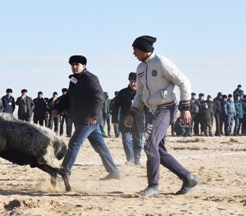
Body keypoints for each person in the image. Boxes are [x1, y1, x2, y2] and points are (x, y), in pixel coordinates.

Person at [123, 35, 199, 196]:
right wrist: (132, 113)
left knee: (150, 145)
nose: (133, 53)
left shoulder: (162, 62)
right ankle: (188, 178)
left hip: (166, 109)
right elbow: (140, 94)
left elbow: (184, 82)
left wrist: (185, 107)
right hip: (151, 111)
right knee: (158, 149)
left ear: (144, 49)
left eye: (135, 49)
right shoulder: (140, 69)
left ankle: (153, 186)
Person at [52, 55, 122, 181]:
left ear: (84, 66)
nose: (74, 67)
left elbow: (99, 97)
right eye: (72, 65)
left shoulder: (90, 78)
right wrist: (58, 108)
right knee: (100, 147)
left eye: (77, 65)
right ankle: (114, 172)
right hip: (81, 118)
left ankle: (64, 172)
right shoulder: (74, 79)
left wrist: (93, 115)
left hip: (88, 119)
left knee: (74, 144)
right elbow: (69, 98)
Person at [112, 72, 144, 165]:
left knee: (137, 141)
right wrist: (114, 119)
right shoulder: (123, 93)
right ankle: (130, 158)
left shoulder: (142, 93)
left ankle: (137, 159)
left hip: (139, 121)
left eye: (135, 82)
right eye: (131, 81)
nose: (133, 83)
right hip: (124, 121)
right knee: (126, 141)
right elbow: (116, 106)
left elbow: (148, 108)